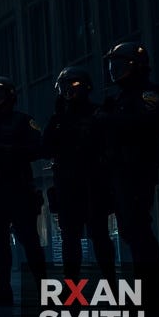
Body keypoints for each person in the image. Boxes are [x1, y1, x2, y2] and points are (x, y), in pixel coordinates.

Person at [96, 42, 159, 310]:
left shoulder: (149, 94)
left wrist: (107, 119)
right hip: (119, 172)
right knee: (129, 229)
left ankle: (151, 289)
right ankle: (145, 286)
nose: (114, 71)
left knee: (138, 228)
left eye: (119, 65)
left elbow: (145, 123)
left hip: (138, 169)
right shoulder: (118, 99)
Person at [0, 77, 46, 307]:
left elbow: (39, 147)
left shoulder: (23, 121)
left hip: (19, 189)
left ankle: (44, 288)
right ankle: (2, 288)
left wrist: (7, 150)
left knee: (30, 242)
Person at [41, 67, 116, 284]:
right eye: (65, 87)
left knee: (99, 235)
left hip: (94, 184)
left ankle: (109, 280)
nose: (69, 92)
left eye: (73, 86)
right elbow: (44, 149)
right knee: (70, 238)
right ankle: (71, 283)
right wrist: (56, 124)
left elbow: (109, 145)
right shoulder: (58, 120)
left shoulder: (98, 113)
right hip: (68, 186)